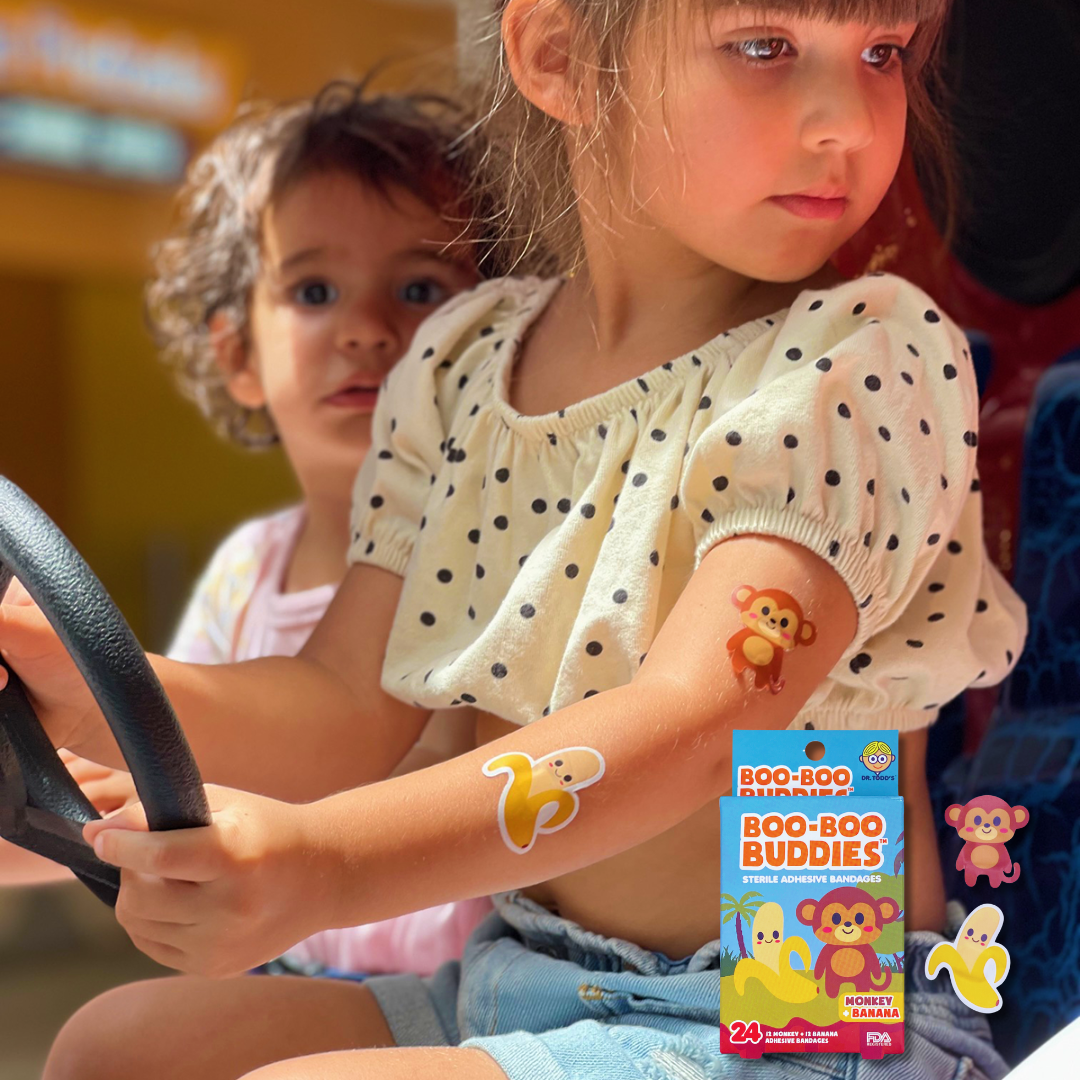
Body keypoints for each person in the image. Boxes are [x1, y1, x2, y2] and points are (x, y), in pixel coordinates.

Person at [0, 2, 1028, 1078]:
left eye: (882, 53)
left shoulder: (857, 360)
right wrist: (83, 691)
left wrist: (324, 866)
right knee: (116, 1050)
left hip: (801, 1012)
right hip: (525, 974)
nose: (848, 121)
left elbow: (697, 725)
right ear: (560, 56)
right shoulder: (463, 366)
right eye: (764, 47)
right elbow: (343, 705)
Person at [0, 77, 499, 977]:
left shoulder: (501, 548)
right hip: (277, 977)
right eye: (315, 290)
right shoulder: (247, 568)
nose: (367, 328)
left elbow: (390, 769)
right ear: (237, 353)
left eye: (421, 287)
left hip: (453, 984)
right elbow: (156, 779)